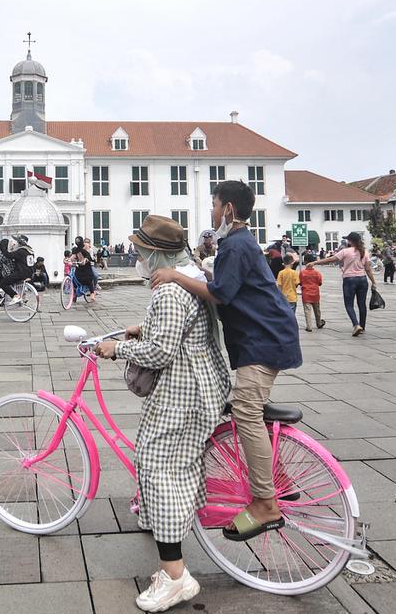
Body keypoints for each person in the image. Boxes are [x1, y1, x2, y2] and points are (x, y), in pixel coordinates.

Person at [149, 181, 302, 548]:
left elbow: (221, 294)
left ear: (229, 209)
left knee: (246, 413)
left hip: (264, 341)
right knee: (249, 410)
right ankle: (279, 478)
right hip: (265, 336)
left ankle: (266, 502)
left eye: (216, 205)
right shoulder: (240, 243)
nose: (213, 212)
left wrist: (175, 276)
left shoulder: (235, 244)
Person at [96, 215, 231, 613]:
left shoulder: (171, 290)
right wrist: (145, 326)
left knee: (158, 467)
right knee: (176, 463)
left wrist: (116, 349)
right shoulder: (187, 277)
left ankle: (175, 577)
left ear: (155, 252)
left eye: (140, 250)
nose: (137, 256)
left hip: (184, 391)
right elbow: (180, 330)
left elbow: (161, 353)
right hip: (202, 381)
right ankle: (166, 519)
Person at [311, 231, 377, 336]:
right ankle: (362, 326)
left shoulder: (345, 251)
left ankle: (356, 325)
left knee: (349, 304)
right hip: (362, 279)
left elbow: (331, 259)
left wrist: (315, 262)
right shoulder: (364, 251)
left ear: (350, 241)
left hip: (349, 280)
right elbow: (368, 269)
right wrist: (373, 281)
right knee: (361, 304)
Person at [299, 254, 325, 332]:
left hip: (306, 294)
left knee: (307, 311)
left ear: (305, 261)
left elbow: (300, 282)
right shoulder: (317, 273)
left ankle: (309, 326)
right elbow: (320, 283)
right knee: (317, 310)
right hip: (315, 294)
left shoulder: (302, 273)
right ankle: (319, 323)